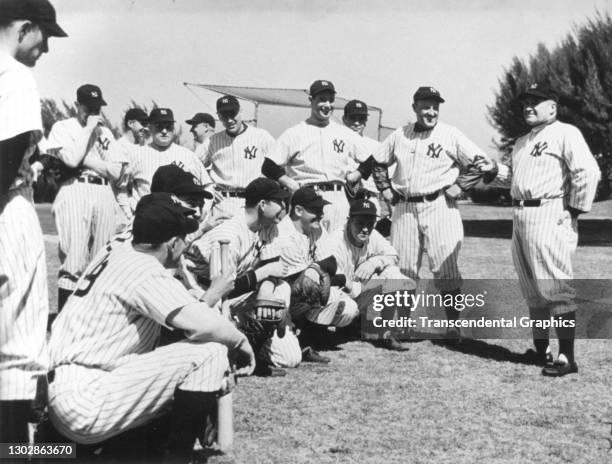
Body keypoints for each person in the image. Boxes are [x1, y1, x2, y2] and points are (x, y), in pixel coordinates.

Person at [47, 193, 255, 462]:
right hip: (87, 399)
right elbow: (204, 324)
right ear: (171, 244)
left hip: (68, 389)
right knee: (210, 353)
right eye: (182, 237)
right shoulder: (145, 269)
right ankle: (175, 458)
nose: (185, 242)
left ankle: (79, 449)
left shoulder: (118, 252)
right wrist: (241, 342)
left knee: (176, 352)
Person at [475, 83, 601, 376]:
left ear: (552, 107)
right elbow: (516, 179)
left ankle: (567, 358)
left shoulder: (566, 133)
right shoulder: (521, 142)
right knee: (532, 289)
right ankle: (541, 350)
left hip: (549, 212)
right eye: (526, 102)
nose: (529, 106)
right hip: (521, 215)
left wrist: (574, 209)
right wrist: (494, 170)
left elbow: (587, 171)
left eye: (536, 101)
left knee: (555, 287)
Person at [372, 86, 496, 333]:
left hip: (440, 205)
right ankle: (404, 325)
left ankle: (453, 327)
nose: (430, 111)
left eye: (435, 107)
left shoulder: (450, 134)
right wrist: (385, 189)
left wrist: (461, 185)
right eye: (425, 106)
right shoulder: (400, 134)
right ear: (415, 107)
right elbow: (377, 161)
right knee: (404, 268)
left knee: (445, 268)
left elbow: (482, 162)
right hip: (405, 205)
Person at [0, 0, 66, 443]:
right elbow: (7, 157)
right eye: (44, 36)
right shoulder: (16, 74)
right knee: (17, 346)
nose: (45, 49)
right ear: (25, 28)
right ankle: (12, 451)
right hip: (7, 208)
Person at [182, 178, 302, 376]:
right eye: (280, 202)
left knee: (289, 356)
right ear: (263, 205)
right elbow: (219, 288)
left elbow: (276, 269)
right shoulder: (230, 232)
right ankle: (239, 348)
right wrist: (263, 274)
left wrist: (266, 291)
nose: (284, 207)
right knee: (218, 354)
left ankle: (252, 343)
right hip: (203, 294)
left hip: (236, 293)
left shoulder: (269, 226)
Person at [46, 84, 127, 311]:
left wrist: (87, 160)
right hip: (75, 189)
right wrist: (88, 130)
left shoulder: (107, 132)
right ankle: (64, 319)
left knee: (100, 259)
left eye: (96, 107)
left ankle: (90, 318)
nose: (92, 112)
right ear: (77, 105)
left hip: (103, 192)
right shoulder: (63, 127)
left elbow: (115, 172)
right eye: (88, 107)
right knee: (73, 259)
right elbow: (71, 160)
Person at [261, 80, 366, 232]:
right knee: (304, 247)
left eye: (331, 100)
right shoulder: (295, 132)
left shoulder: (344, 132)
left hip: (338, 198)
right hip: (307, 195)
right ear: (311, 100)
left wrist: (357, 174)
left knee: (337, 249)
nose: (327, 105)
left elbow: (372, 159)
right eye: (322, 99)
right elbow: (268, 166)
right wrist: (290, 183)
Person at [274, 187, 359, 358]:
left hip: (298, 296)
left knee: (348, 308)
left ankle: (310, 338)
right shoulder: (285, 234)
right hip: (279, 299)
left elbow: (331, 262)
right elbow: (304, 282)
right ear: (298, 210)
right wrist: (341, 279)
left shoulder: (316, 228)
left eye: (321, 210)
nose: (321, 215)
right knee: (320, 288)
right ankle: (297, 338)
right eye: (315, 210)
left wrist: (317, 268)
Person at [326, 199, 416, 350]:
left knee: (400, 278)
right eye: (360, 223)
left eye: (370, 223)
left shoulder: (371, 235)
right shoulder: (336, 241)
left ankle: (388, 331)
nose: (365, 229)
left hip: (358, 289)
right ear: (349, 221)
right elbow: (335, 282)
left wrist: (373, 263)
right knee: (349, 310)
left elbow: (393, 255)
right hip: (339, 295)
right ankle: (348, 324)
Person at [204, 96, 276, 217]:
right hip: (223, 203)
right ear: (219, 117)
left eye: (233, 114)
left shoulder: (261, 136)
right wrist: (206, 189)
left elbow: (278, 165)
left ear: (240, 111)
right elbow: (192, 166)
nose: (229, 120)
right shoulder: (212, 141)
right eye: (224, 116)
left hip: (254, 202)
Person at [129, 107, 216, 206]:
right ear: (150, 128)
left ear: (174, 129)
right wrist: (132, 212)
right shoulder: (136, 155)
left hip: (182, 217)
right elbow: (123, 188)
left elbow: (208, 186)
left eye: (168, 126)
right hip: (149, 216)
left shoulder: (188, 155)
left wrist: (201, 213)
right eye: (159, 126)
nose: (164, 131)